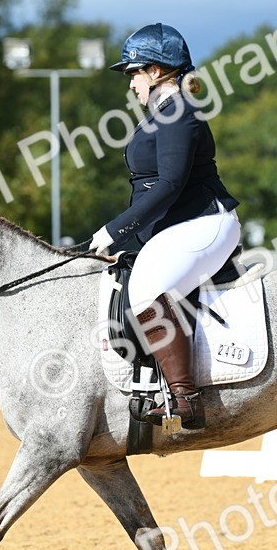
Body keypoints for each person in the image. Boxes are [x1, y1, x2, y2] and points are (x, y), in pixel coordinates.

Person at [91, 23, 241, 431]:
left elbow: (171, 185)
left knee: (146, 290)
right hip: (182, 224)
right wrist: (129, 238)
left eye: (133, 73)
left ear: (155, 71)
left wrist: (115, 231)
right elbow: (151, 191)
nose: (131, 84)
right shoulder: (160, 115)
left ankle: (185, 399)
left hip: (207, 222)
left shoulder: (178, 114)